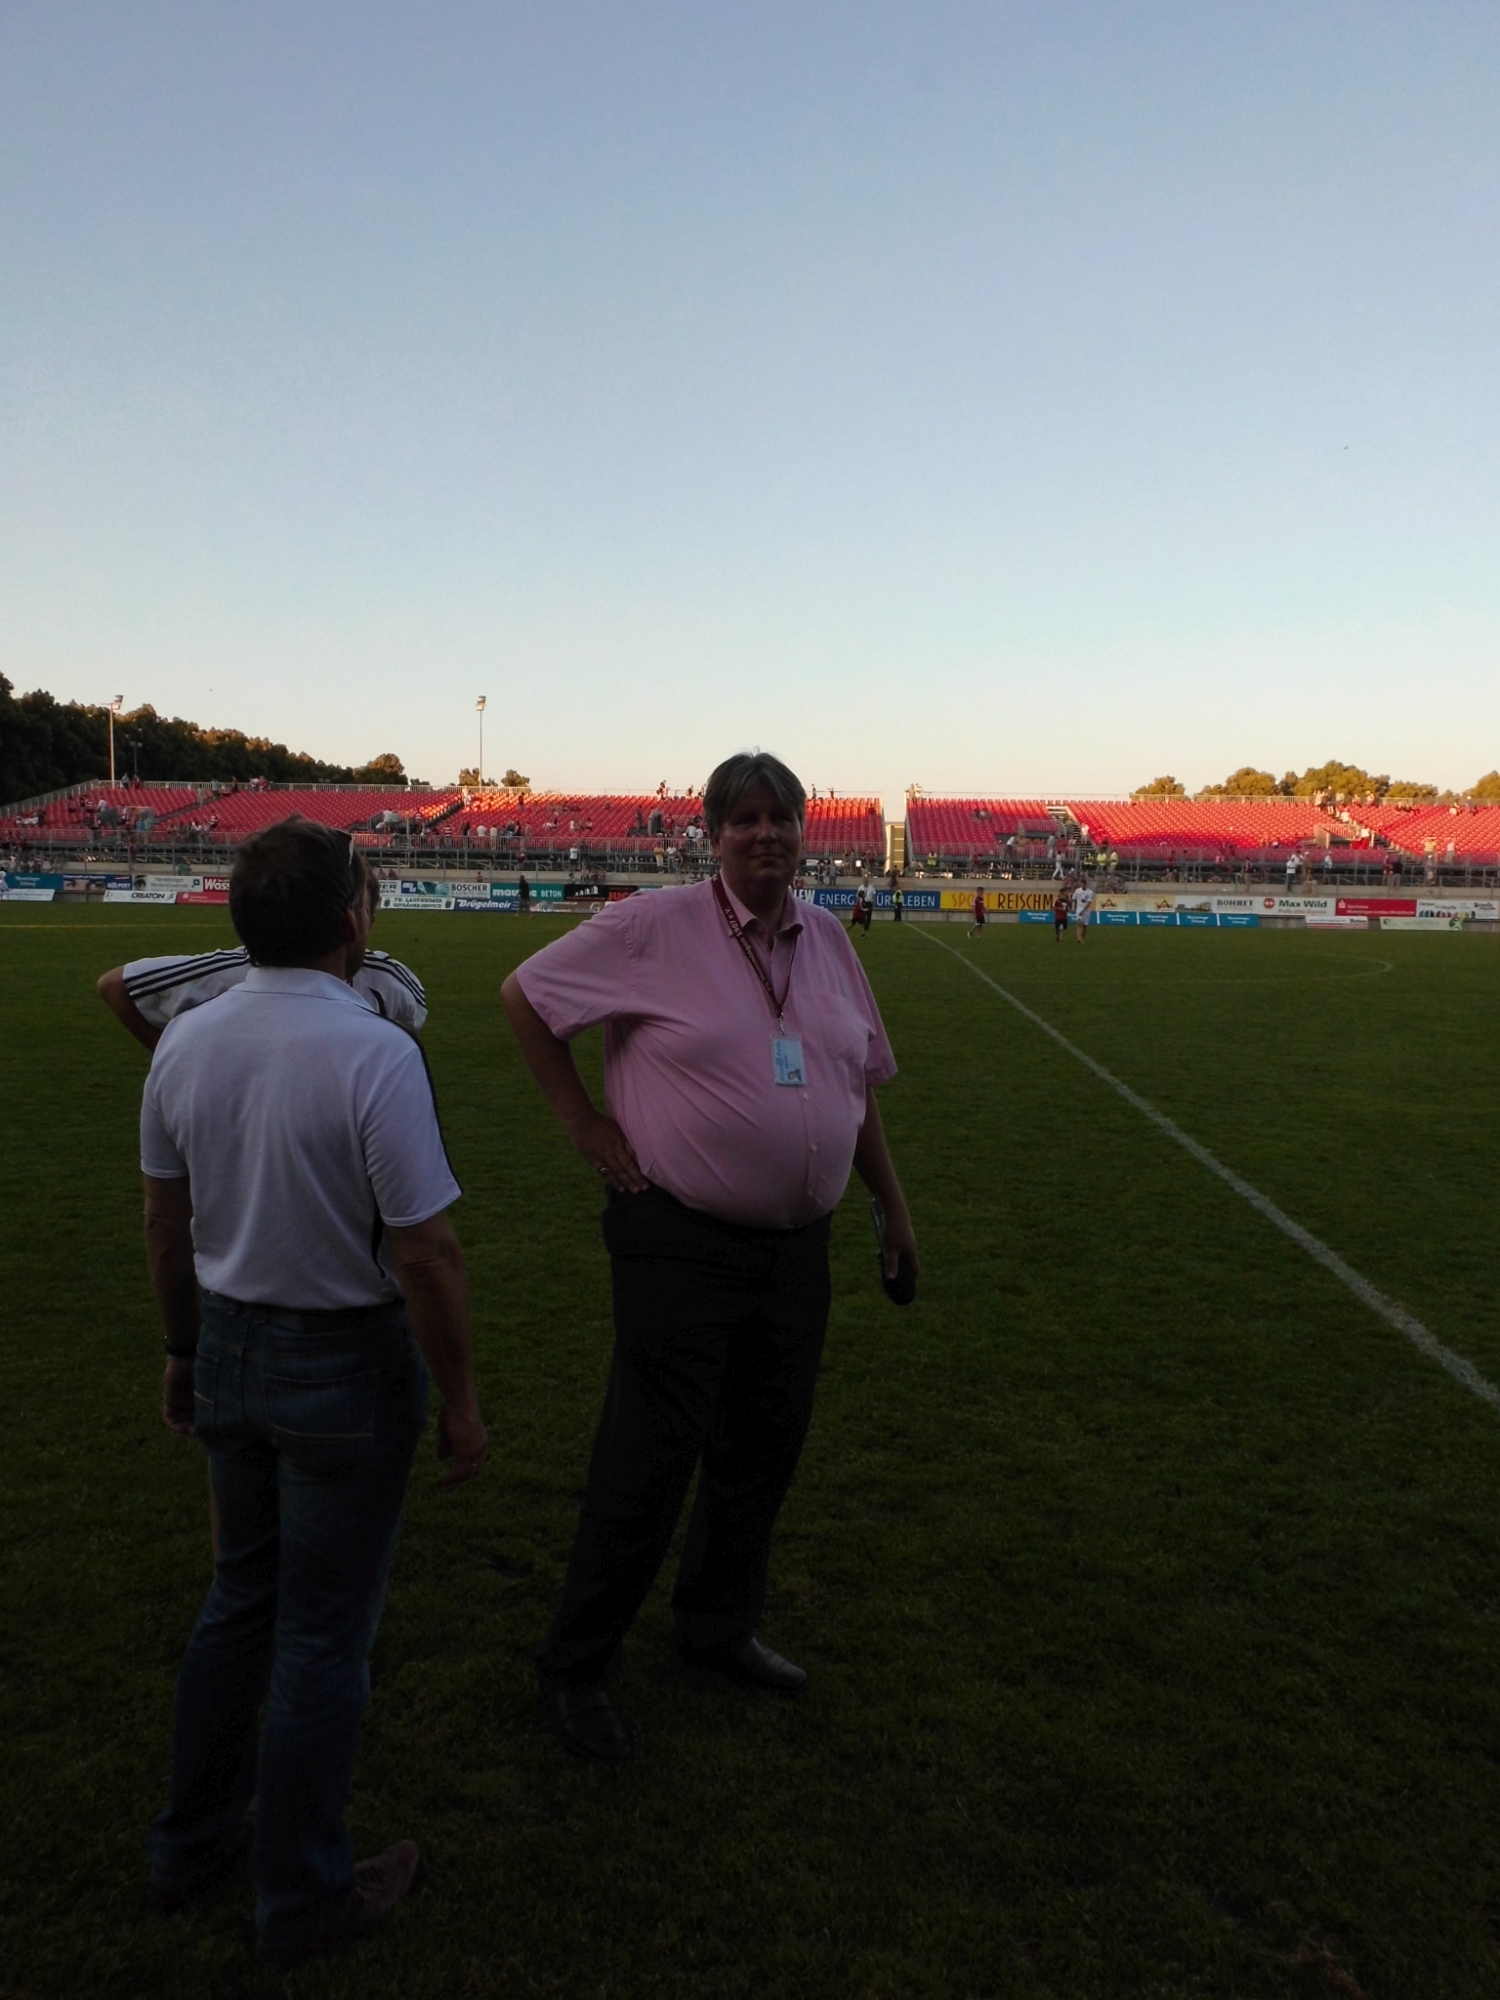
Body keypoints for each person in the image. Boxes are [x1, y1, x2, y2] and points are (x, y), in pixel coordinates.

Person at [500, 751, 917, 1766]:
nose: (766, 834)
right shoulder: (652, 927)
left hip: (797, 1251)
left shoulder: (827, 938)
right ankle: (576, 1664)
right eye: (746, 819)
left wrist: (893, 1208)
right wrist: (585, 1123)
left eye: (783, 818)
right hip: (678, 1241)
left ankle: (716, 1628)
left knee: (762, 1450)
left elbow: (857, 1084)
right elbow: (525, 996)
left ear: (806, 832)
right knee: (648, 1457)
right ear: (714, 834)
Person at [141, 819, 488, 1968]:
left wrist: (184, 1349)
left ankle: (190, 1845)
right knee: (323, 1637)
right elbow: (426, 1250)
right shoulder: (375, 1051)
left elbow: (165, 1219)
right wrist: (462, 1397)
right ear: (352, 920)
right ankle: (300, 1897)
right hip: (342, 1360)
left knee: (237, 1602)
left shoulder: (185, 1040)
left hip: (229, 1343)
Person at [97, 859, 426, 1050]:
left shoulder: (392, 982)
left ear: (370, 920)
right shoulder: (234, 971)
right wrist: (173, 1059)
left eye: (359, 907)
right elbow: (116, 985)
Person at [1071, 876, 1094, 940]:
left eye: (1084, 883)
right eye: (1081, 883)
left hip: (1086, 910)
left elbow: (1089, 902)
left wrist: (1083, 910)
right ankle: (1079, 938)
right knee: (1079, 923)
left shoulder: (1090, 892)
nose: (1083, 885)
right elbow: (1073, 899)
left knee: (1085, 926)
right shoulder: (1077, 891)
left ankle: (1082, 938)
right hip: (1079, 908)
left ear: (1086, 884)